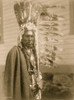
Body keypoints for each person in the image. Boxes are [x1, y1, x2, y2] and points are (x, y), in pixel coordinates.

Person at [4, 28, 42, 100]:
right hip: (22, 87)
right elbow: (9, 77)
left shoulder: (34, 52)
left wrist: (39, 78)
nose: (30, 39)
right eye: (27, 36)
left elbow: (36, 69)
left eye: (32, 36)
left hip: (34, 88)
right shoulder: (14, 52)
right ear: (21, 37)